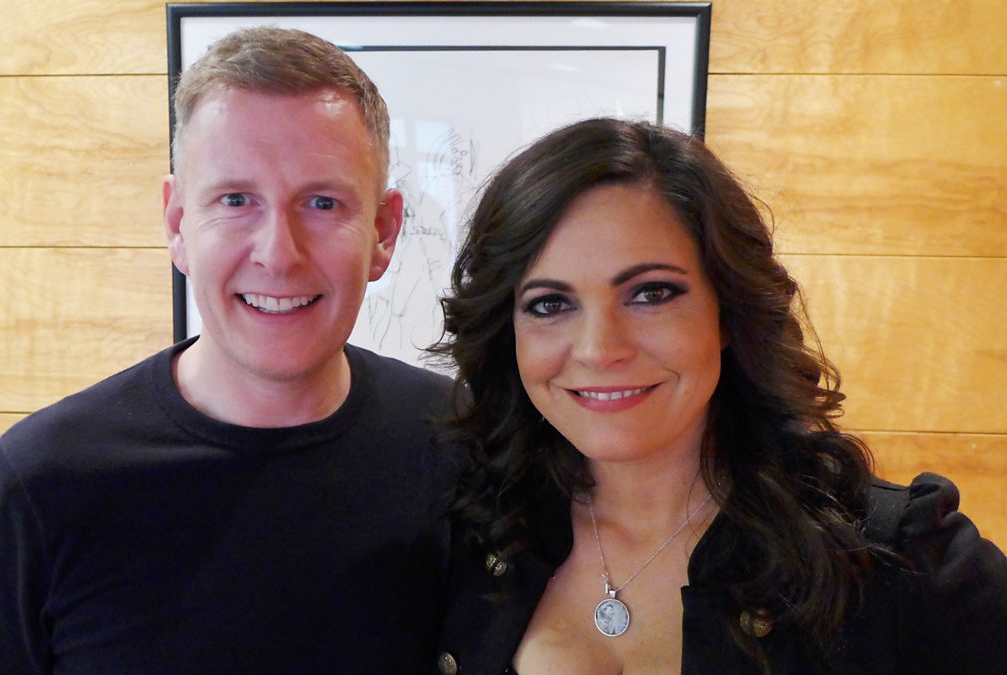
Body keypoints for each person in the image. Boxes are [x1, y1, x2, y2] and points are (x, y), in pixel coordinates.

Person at [0, 27, 460, 673]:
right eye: (236, 200)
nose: (278, 254)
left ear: (383, 231)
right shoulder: (39, 483)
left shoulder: (464, 444)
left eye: (322, 202)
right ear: (178, 224)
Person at [429, 118, 1007, 674]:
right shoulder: (465, 530)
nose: (599, 350)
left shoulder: (903, 559)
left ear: (727, 312)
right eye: (550, 304)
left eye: (652, 294)